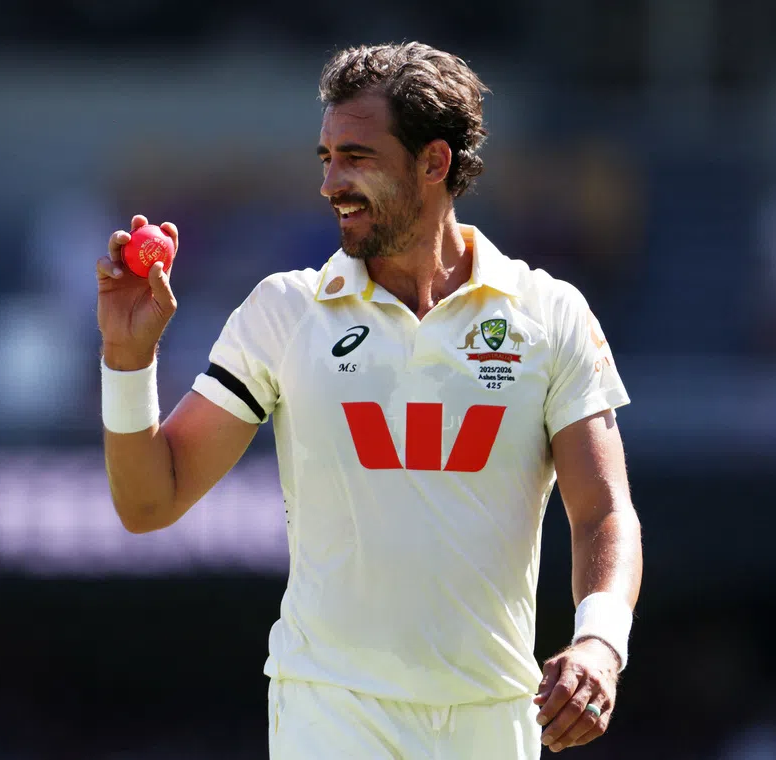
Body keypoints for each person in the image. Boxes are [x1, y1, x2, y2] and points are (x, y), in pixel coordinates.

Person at [96, 42, 642, 758]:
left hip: (494, 719)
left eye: (357, 157)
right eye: (325, 158)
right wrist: (128, 360)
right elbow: (148, 502)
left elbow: (602, 509)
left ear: (434, 163)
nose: (330, 184)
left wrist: (601, 642)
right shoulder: (284, 312)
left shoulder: (548, 314)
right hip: (331, 712)